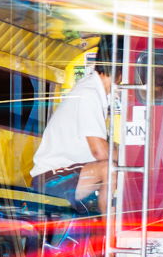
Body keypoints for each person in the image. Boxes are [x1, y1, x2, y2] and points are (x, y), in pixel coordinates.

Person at [30, 37, 118, 214]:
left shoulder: (98, 93)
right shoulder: (89, 93)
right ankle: (110, 235)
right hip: (51, 179)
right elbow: (100, 151)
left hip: (68, 175)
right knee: (112, 169)